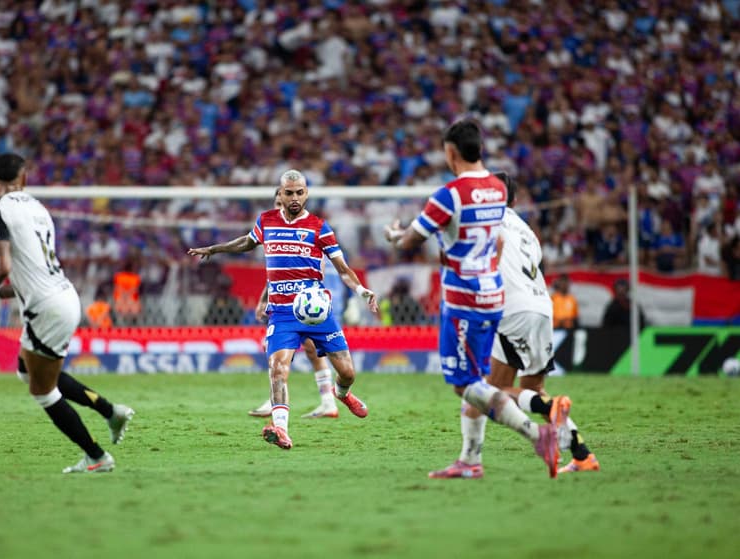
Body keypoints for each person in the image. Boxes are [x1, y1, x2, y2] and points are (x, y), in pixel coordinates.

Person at [383, 119, 567, 479]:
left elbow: (410, 241)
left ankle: (537, 433)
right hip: (493, 294)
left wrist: (394, 235)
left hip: (464, 298)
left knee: (465, 384)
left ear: (451, 153)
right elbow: (496, 242)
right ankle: (470, 459)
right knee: (479, 379)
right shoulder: (498, 189)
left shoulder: (449, 194)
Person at [0, 153, 134, 474]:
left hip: (46, 308)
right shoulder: (39, 210)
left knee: (42, 390)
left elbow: (2, 265)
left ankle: (96, 456)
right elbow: (29, 271)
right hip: (63, 297)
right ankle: (110, 411)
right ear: (25, 178)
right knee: (29, 370)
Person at [189, 169, 379, 450]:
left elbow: (343, 269)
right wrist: (215, 250)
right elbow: (246, 242)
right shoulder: (266, 221)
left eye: (299, 192)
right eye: (288, 193)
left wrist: (362, 290)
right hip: (283, 314)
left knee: (348, 372)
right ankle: (281, 429)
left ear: (306, 194)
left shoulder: (319, 227)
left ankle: (342, 394)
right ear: (280, 194)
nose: (294, 198)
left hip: (317, 313)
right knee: (278, 369)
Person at [485, 172, 599, 475]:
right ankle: (582, 454)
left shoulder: (487, 221)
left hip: (512, 309)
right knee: (533, 390)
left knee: (490, 392)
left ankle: (552, 408)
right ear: (515, 200)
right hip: (542, 308)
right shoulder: (527, 231)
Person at [248, 188, 340, 419]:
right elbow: (277, 276)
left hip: (306, 302)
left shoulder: (307, 229)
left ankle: (281, 401)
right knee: (307, 351)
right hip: (291, 302)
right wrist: (263, 299)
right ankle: (327, 402)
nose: (283, 206)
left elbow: (304, 271)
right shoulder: (275, 229)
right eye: (279, 202)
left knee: (283, 352)